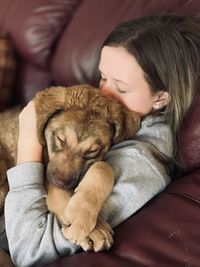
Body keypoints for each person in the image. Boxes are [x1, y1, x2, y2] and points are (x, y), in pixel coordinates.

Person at [2, 13, 200, 267]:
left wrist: (29, 141)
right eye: (103, 77)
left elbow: (28, 250)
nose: (103, 94)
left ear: (161, 98)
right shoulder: (104, 116)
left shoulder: (140, 162)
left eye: (121, 87)